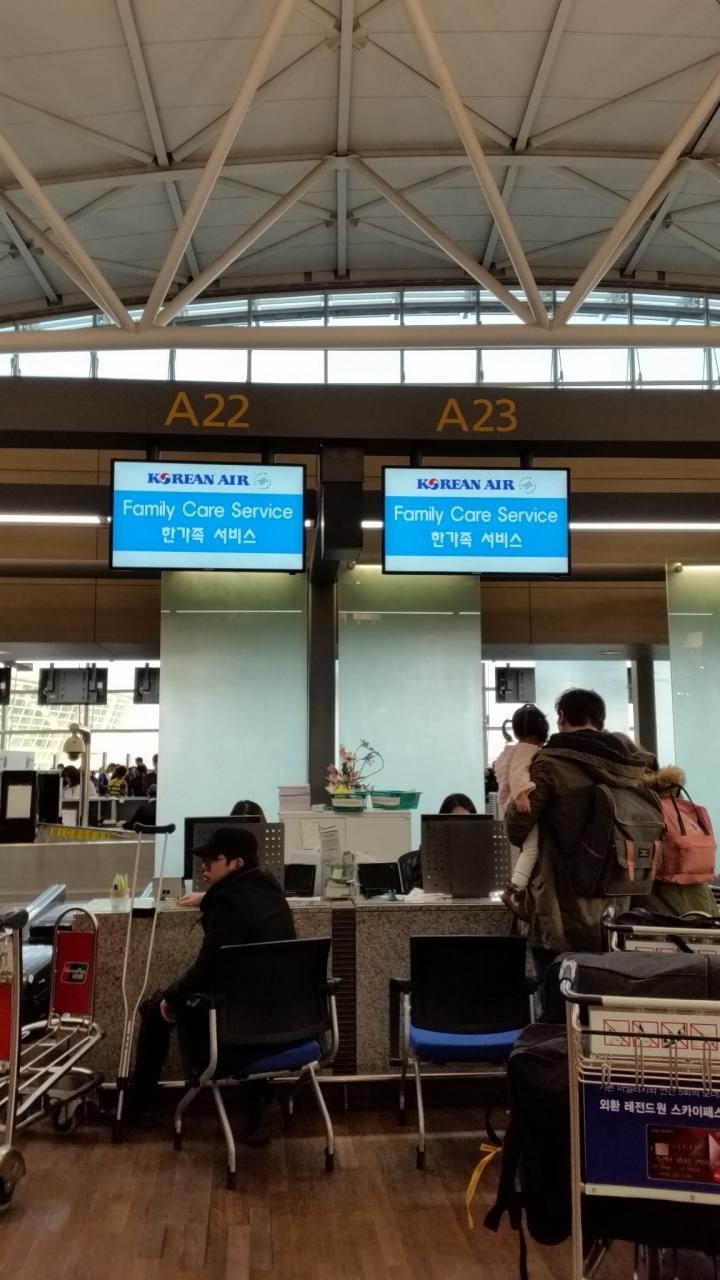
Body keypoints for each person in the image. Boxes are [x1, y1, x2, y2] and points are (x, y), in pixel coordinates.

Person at [128, 827, 295, 1122]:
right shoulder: (268, 888)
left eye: (211, 861)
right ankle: (258, 1097)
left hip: (238, 1022)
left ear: (236, 863)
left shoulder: (228, 907)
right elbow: (243, 902)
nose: (203, 867)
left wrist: (170, 998)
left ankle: (136, 1109)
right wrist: (208, 897)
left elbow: (205, 970)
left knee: (156, 1011)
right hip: (285, 1018)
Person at [505, 688, 655, 993]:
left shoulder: (550, 763)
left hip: (558, 907)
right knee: (602, 1000)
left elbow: (517, 827)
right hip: (615, 904)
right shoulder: (630, 768)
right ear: (600, 720)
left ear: (561, 718)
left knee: (558, 998)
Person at [495, 704, 550, 920]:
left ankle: (517, 887)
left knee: (528, 847)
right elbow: (517, 773)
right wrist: (522, 795)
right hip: (520, 804)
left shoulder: (517, 748)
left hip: (513, 804)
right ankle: (515, 889)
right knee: (532, 847)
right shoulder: (527, 749)